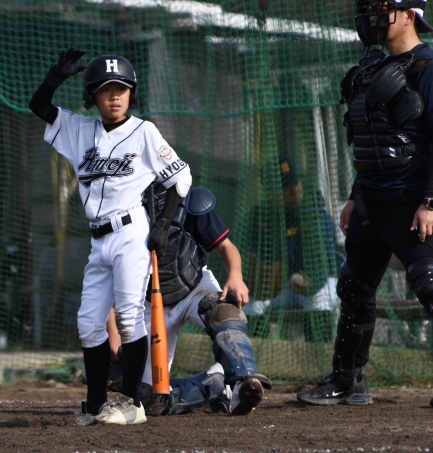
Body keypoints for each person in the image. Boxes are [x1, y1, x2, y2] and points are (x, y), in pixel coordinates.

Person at [29, 48, 192, 425]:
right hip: (98, 239)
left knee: (130, 319)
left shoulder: (144, 131)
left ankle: (132, 403)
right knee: (88, 323)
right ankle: (96, 404)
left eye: (121, 88)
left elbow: (180, 180)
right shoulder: (79, 130)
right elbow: (39, 106)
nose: (114, 96)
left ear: (132, 93)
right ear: (93, 96)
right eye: (105, 90)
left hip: (131, 233)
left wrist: (163, 225)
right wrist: (55, 77)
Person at [297, 0, 433, 406]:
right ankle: (347, 380)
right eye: (369, 9)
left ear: (409, 14)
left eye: (382, 8)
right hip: (371, 198)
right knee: (354, 288)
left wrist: (429, 202)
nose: (372, 17)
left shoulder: (427, 67)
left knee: (428, 284)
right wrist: (356, 197)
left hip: (411, 199)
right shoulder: (371, 71)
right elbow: (369, 142)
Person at [97, 184, 272, 416]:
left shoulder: (188, 198)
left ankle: (244, 381)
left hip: (194, 286)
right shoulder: (118, 207)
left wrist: (236, 276)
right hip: (146, 302)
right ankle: (213, 386)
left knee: (225, 314)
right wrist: (114, 332)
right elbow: (108, 276)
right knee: (150, 400)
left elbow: (226, 247)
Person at [244, 155, 340, 343]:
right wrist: (257, 278)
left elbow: (323, 262)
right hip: (280, 287)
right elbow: (247, 255)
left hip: (318, 281)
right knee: (247, 300)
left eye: (296, 183)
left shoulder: (315, 213)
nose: (295, 190)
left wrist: (313, 281)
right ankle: (253, 354)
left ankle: (319, 355)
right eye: (286, 187)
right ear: (270, 193)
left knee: (320, 297)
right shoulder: (258, 219)